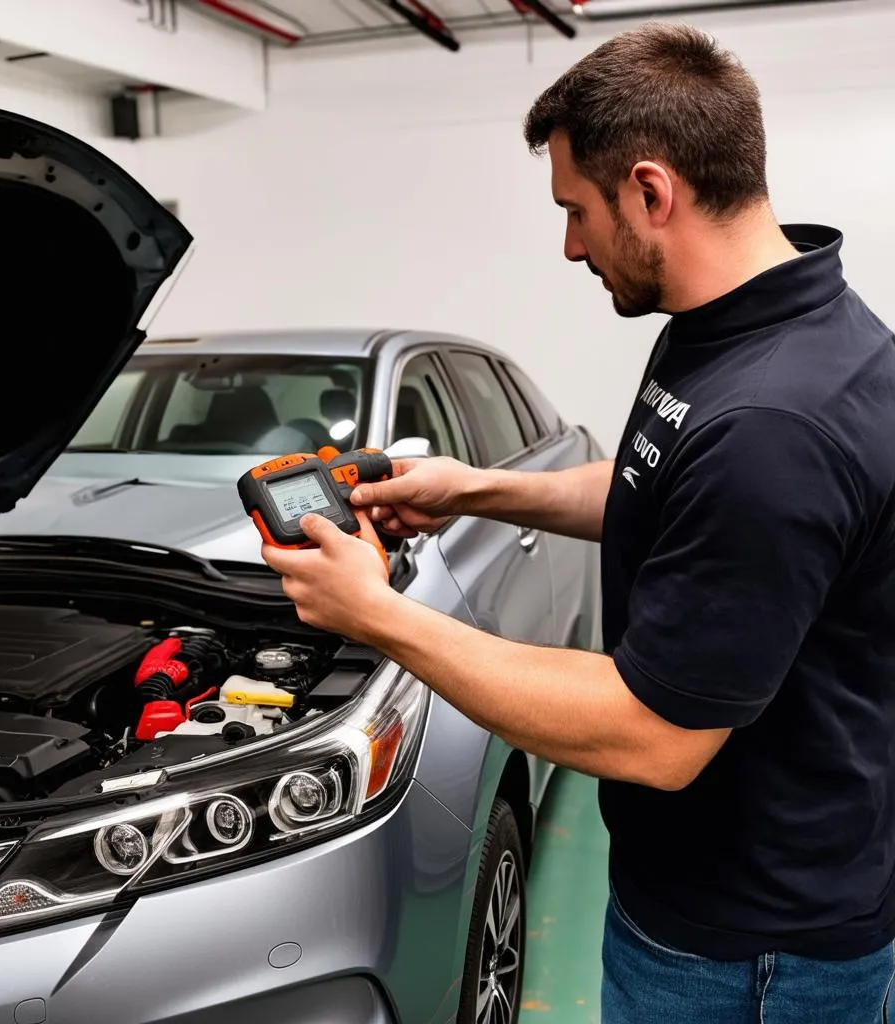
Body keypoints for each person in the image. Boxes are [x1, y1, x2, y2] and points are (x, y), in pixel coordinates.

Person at [260, 21, 895, 1024]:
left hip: (749, 953)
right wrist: (475, 489)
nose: (568, 246)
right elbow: (659, 487)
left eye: (576, 211)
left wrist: (377, 614)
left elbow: (655, 734)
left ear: (650, 191)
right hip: (707, 899)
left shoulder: (773, 425)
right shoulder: (736, 328)